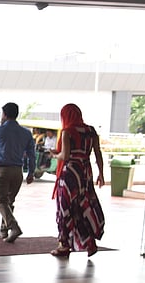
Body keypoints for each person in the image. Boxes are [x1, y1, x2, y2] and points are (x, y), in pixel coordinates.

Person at [50, 103, 106, 257]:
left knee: (65, 208)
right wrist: (101, 173)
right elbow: (98, 153)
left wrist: (54, 155)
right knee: (82, 206)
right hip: (85, 172)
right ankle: (89, 242)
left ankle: (64, 245)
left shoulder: (67, 131)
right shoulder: (90, 131)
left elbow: (66, 156)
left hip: (70, 174)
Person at [0, 102, 36, 243]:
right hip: (18, 171)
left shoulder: (0, 130)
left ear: (4, 114)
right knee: (9, 201)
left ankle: (14, 227)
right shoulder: (26, 133)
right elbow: (31, 154)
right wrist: (31, 172)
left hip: (2, 170)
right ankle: (4, 231)